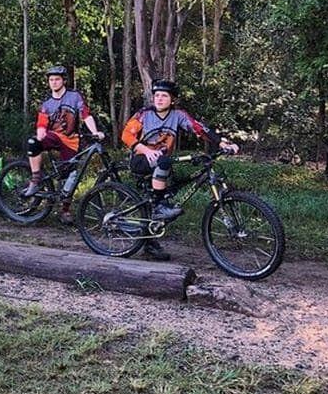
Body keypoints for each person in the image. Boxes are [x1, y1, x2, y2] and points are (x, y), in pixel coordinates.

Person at [121, 79, 238, 260]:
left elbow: (199, 128)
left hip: (162, 161)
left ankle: (150, 240)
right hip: (141, 159)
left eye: (164, 96)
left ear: (172, 100)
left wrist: (221, 142)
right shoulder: (144, 114)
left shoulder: (178, 115)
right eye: (157, 95)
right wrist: (144, 149)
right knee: (164, 164)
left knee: (175, 182)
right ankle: (160, 207)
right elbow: (126, 134)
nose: (159, 99)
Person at [22, 65, 105, 224]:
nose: (53, 82)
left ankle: (64, 210)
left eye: (57, 79)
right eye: (51, 79)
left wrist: (95, 132)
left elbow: (86, 115)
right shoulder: (46, 103)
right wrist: (40, 131)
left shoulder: (74, 97)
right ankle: (35, 180)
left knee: (70, 174)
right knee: (33, 142)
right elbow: (41, 123)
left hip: (71, 140)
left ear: (64, 81)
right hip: (53, 136)